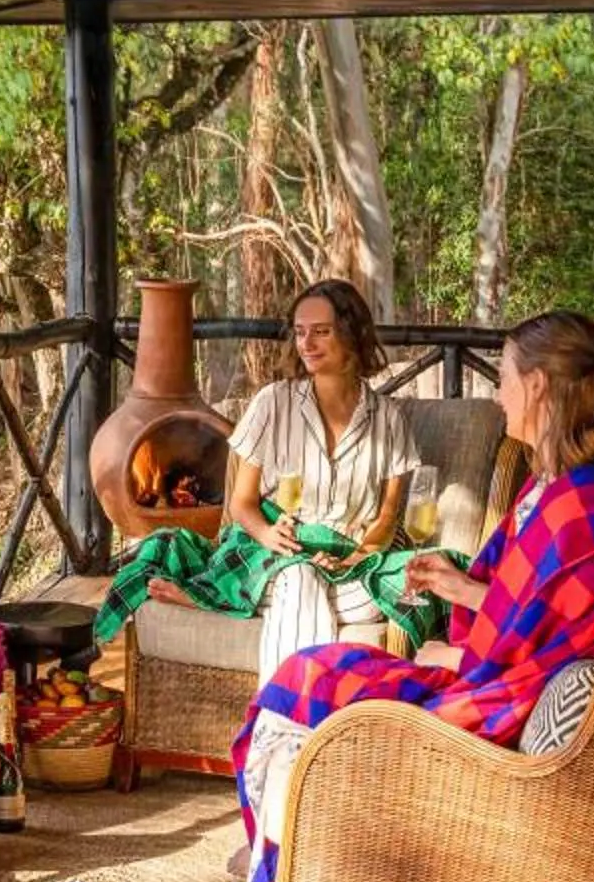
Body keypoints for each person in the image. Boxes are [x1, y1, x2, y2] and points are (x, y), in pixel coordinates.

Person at [228, 311, 594, 882]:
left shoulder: (580, 505)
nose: (498, 393)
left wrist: (456, 651)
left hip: (500, 692)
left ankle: (287, 877)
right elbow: (539, 612)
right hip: (506, 671)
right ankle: (281, 861)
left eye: (505, 376)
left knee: (305, 681)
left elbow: (534, 633)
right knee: (313, 670)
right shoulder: (579, 488)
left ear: (538, 386)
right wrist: (463, 589)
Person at [94, 280, 448, 673]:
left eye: (321, 331)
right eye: (300, 332)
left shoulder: (388, 419)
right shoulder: (273, 403)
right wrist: (268, 534)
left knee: (367, 598)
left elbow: (386, 517)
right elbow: (242, 503)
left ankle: (219, 596)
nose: (306, 343)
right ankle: (286, 727)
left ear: (352, 333)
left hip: (349, 556)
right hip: (278, 547)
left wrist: (360, 556)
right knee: (299, 577)